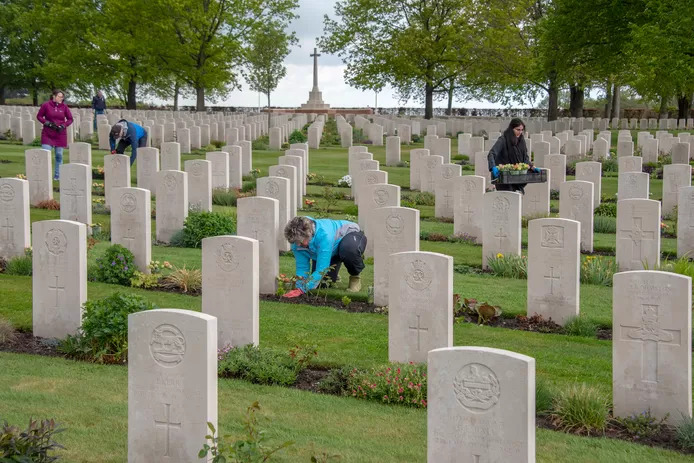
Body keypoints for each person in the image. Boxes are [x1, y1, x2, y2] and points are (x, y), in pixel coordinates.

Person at [281, 216, 367, 298]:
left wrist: (302, 290)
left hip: (349, 236)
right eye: (296, 242)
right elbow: (302, 267)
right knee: (322, 284)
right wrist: (299, 287)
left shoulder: (324, 234)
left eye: (300, 242)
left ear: (308, 234)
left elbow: (321, 269)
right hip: (330, 250)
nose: (298, 244)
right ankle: (335, 275)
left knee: (349, 250)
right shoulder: (296, 242)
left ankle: (355, 276)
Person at [487, 118, 539, 194]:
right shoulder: (503, 139)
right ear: (511, 129)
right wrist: (493, 167)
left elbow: (525, 158)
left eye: (522, 130)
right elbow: (491, 154)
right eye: (518, 130)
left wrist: (532, 167)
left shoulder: (521, 140)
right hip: (504, 177)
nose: (520, 132)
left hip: (517, 177)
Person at [36, 89, 73, 181]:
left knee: (59, 155)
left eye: (62, 97)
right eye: (59, 96)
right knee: (45, 154)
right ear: (54, 96)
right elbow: (39, 116)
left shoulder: (64, 107)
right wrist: (46, 123)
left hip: (60, 134)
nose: (61, 98)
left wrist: (63, 125)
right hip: (48, 133)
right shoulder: (46, 105)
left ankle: (58, 175)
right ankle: (44, 175)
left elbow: (70, 119)